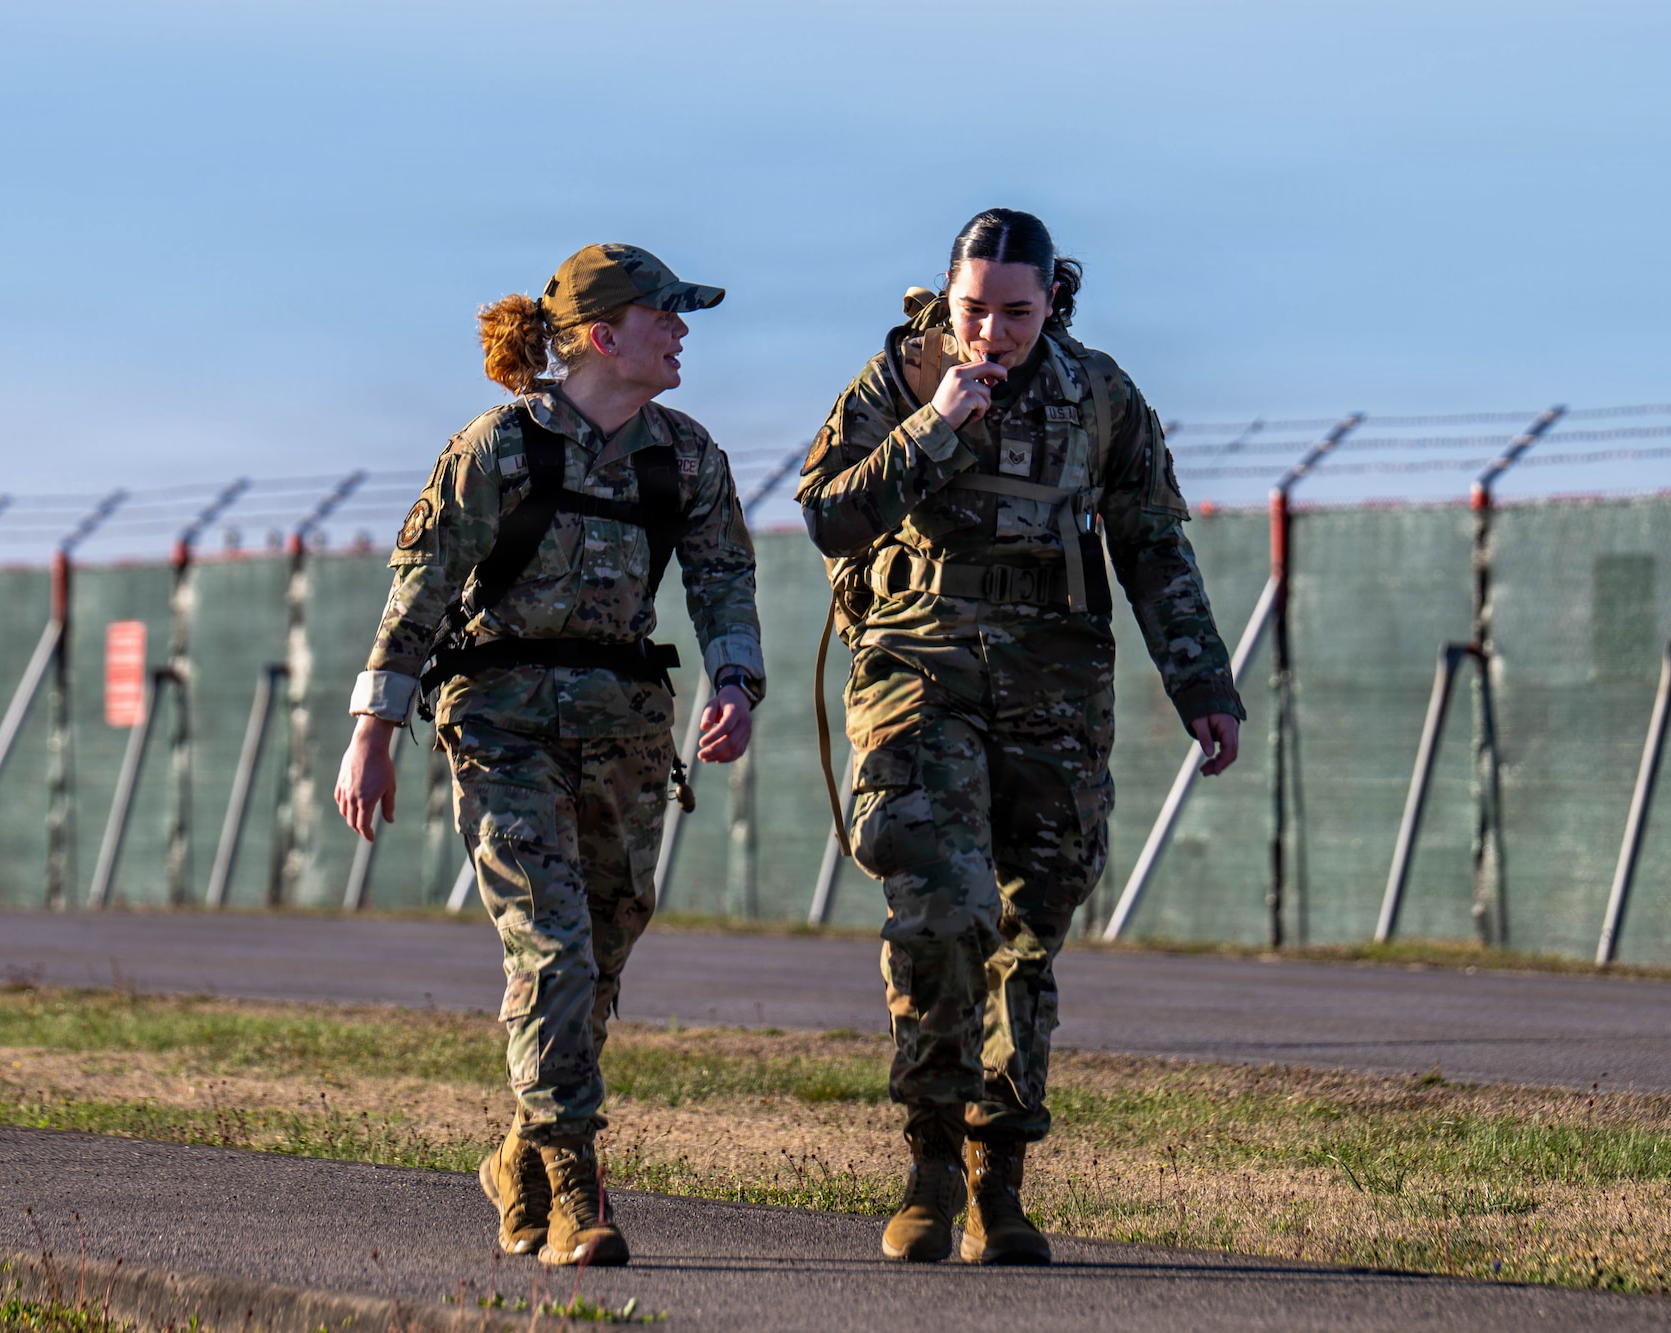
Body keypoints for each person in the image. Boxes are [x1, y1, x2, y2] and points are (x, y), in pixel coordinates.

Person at [796, 209, 1244, 1265]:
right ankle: (928, 1165)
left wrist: (1201, 684)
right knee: (939, 908)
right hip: (917, 667)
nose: (990, 332)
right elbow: (824, 516)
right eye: (971, 310)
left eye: (1014, 311)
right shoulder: (900, 380)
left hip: (1054, 677)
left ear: (1054, 304)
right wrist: (931, 427)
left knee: (1026, 930)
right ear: (944, 300)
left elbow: (1151, 547)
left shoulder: (1099, 398)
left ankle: (1001, 1177)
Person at [334, 243, 765, 1269]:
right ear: (600, 334)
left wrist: (736, 682)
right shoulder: (498, 448)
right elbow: (421, 586)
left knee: (601, 951)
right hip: (500, 723)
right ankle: (576, 1186)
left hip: (624, 726)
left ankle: (517, 1157)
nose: (682, 332)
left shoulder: (685, 456)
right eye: (665, 315)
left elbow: (722, 579)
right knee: (553, 949)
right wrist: (374, 730)